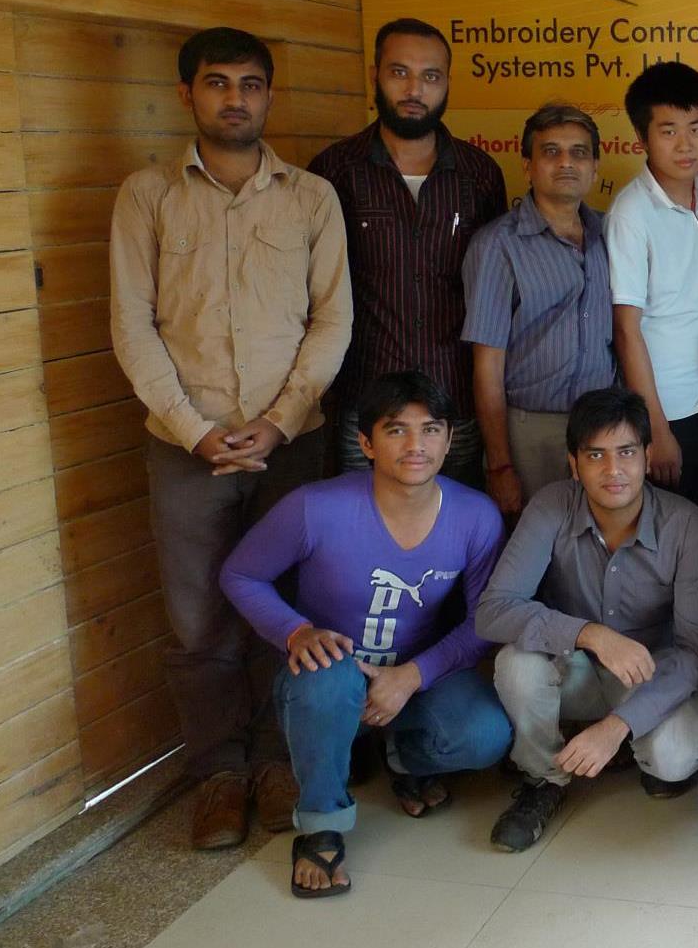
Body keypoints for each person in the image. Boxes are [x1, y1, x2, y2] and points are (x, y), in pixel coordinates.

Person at [109, 26, 351, 850]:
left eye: (250, 84)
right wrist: (196, 430)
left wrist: (280, 420)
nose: (235, 99)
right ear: (188, 94)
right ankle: (218, 773)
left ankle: (281, 762)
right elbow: (132, 326)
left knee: (295, 610)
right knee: (198, 620)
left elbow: (332, 320)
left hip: (293, 443)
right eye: (218, 83)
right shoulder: (147, 196)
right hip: (186, 450)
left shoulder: (311, 197)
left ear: (269, 94)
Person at [219, 371, 511, 898]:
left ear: (450, 439)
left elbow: (484, 621)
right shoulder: (315, 507)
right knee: (326, 676)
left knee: (486, 735)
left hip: (417, 679)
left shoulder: (476, 516)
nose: (416, 445)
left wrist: (412, 676)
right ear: (366, 443)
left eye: (430, 429)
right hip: (331, 681)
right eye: (396, 430)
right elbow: (240, 574)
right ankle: (321, 826)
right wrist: (295, 631)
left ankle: (402, 758)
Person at [476, 388, 698, 852]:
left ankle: (618, 743)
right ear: (574, 463)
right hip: (575, 666)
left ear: (648, 456)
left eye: (626, 452)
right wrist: (591, 635)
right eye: (595, 455)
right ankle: (544, 777)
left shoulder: (685, 525)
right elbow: (493, 610)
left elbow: (696, 652)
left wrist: (617, 726)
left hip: (649, 674)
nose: (613, 470)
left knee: (675, 759)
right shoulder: (551, 506)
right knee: (516, 664)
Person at [309, 17, 507, 490]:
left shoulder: (479, 175)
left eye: (430, 76)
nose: (415, 89)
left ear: (447, 83)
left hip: (455, 401)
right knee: (362, 524)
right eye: (400, 72)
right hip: (366, 406)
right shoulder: (334, 171)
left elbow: (495, 296)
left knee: (454, 521)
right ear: (375, 75)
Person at [461, 104, 615, 514]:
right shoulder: (498, 245)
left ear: (595, 168)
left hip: (603, 429)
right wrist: (500, 465)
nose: (566, 162)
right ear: (527, 166)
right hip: (530, 432)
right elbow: (487, 367)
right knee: (534, 540)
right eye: (551, 152)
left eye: (579, 152)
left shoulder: (611, 234)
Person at [608, 62, 698, 515]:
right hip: (667, 408)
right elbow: (626, 330)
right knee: (671, 530)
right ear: (642, 138)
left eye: (696, 129)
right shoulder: (631, 214)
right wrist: (655, 430)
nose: (685, 144)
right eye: (668, 131)